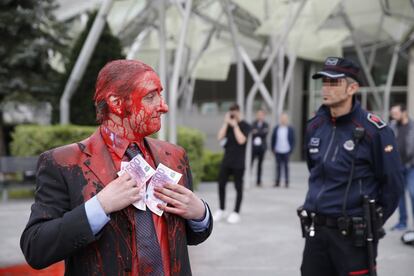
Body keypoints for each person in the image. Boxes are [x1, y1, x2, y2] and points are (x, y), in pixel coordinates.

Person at [20, 60, 213, 275]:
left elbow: (190, 236)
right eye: (150, 96)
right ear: (116, 102)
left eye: (160, 94)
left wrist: (200, 214)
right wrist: (99, 206)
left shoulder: (174, 156)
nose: (163, 106)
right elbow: (35, 248)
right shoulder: (63, 163)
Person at [299, 57, 403, 276]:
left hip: (353, 238)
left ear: (352, 88)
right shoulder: (314, 126)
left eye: (334, 83)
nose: (326, 88)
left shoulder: (375, 131)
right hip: (316, 233)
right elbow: (315, 171)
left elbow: (393, 185)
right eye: (324, 82)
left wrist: (372, 221)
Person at [214, 104, 250, 224]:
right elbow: (219, 137)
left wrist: (235, 126)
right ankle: (222, 209)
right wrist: (226, 123)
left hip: (239, 162)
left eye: (235, 112)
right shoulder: (228, 126)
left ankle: (236, 212)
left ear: (239, 112)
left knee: (238, 187)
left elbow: (241, 140)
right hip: (227, 160)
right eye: (231, 113)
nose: (233, 115)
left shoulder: (245, 125)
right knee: (221, 184)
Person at [389, 104, 414, 231]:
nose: (393, 116)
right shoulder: (392, 126)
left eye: (395, 113)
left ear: (404, 112)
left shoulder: (412, 126)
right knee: (399, 195)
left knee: (412, 192)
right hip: (397, 166)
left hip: (411, 166)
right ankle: (402, 222)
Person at [271, 112, 295, 188]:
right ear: (280, 119)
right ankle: (277, 181)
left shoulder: (290, 129)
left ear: (287, 119)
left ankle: (286, 182)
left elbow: (293, 140)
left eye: (285, 118)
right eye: (282, 118)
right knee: (278, 167)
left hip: (286, 150)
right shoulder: (276, 128)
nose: (283, 120)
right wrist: (273, 148)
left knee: (286, 167)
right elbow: (273, 139)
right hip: (278, 150)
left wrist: (291, 149)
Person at [251, 109, 269, 187]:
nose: (260, 116)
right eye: (258, 115)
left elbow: (264, 133)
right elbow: (252, 133)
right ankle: (246, 180)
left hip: (261, 148)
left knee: (260, 165)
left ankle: (258, 181)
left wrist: (257, 132)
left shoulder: (266, 124)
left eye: (261, 115)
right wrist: (259, 132)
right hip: (253, 147)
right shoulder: (253, 123)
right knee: (250, 164)